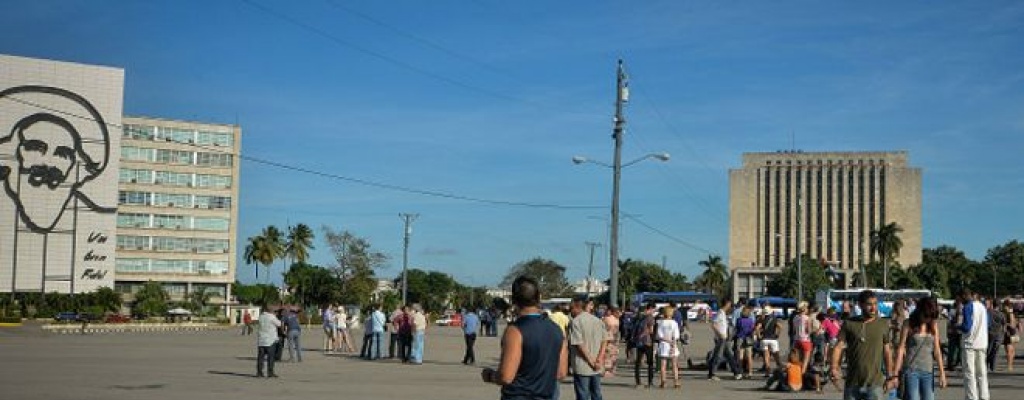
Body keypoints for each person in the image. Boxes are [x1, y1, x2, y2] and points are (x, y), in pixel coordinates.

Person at [481, 275, 568, 400]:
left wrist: (490, 375)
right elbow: (561, 373)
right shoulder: (556, 330)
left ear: (514, 300)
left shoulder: (515, 331)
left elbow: (506, 376)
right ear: (539, 297)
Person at [829, 290, 894, 400]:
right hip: (853, 382)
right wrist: (834, 368)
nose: (873, 308)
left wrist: (890, 376)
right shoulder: (849, 323)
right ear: (860, 305)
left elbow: (887, 351)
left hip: (875, 383)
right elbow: (838, 347)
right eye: (869, 304)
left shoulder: (883, 324)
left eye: (875, 304)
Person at [893, 297, 947, 400]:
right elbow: (900, 349)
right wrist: (895, 374)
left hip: (928, 371)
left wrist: (942, 374)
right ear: (920, 311)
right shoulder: (908, 324)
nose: (928, 319)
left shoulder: (933, 325)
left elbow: (937, 351)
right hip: (911, 371)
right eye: (926, 316)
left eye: (931, 317)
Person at [568, 296, 607, 400]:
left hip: (583, 366)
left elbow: (579, 345)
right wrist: (599, 359)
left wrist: (591, 362)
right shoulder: (598, 321)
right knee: (597, 394)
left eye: (571, 308)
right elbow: (604, 341)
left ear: (577, 307)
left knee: (583, 395)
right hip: (597, 366)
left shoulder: (576, 322)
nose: (570, 311)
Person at [958, 289, 989, 400]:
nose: (961, 301)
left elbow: (966, 327)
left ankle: (972, 397)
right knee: (982, 372)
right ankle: (984, 396)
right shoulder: (983, 307)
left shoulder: (967, 307)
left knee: (969, 373)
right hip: (982, 342)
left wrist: (957, 326)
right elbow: (987, 324)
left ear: (964, 296)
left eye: (961, 298)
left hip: (969, 344)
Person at [708, 300, 741, 381]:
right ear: (727, 304)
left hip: (725, 338)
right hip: (721, 338)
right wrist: (720, 334)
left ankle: (736, 372)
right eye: (730, 304)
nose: (730, 306)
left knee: (730, 355)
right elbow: (713, 324)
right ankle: (712, 374)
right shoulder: (720, 313)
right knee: (718, 356)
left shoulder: (723, 313)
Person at [655, 306, 681, 389]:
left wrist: (667, 340)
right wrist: (672, 342)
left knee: (663, 365)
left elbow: (659, 336)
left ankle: (663, 382)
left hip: (663, 345)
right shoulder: (674, 323)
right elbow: (676, 335)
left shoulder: (661, 323)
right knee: (674, 365)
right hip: (673, 344)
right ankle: (676, 382)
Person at [633, 303, 657, 388]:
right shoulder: (650, 318)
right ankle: (650, 382)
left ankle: (638, 382)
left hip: (639, 342)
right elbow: (651, 330)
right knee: (650, 363)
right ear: (649, 309)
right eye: (653, 309)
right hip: (647, 342)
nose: (654, 311)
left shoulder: (639, 318)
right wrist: (643, 335)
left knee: (638, 362)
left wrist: (638, 336)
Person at [256, 305, 281, 378]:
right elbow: (279, 324)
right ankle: (270, 372)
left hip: (261, 340)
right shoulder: (271, 317)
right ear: (271, 311)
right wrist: (275, 316)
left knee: (260, 358)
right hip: (270, 340)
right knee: (270, 358)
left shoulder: (261, 316)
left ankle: (259, 372)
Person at [757, 309, 782, 376]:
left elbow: (757, 328)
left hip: (764, 339)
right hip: (773, 339)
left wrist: (759, 336)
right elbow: (780, 326)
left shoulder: (762, 319)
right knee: (776, 356)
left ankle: (767, 372)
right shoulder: (774, 319)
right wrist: (777, 334)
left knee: (766, 356)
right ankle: (780, 369)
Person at [734, 305, 756, 378]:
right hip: (748, 339)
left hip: (740, 338)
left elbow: (736, 328)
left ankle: (740, 372)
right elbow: (752, 329)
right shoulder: (750, 321)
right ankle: (750, 372)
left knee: (740, 357)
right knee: (749, 357)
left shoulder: (739, 320)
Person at [984, 299, 1005, 371]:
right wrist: (1003, 333)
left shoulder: (989, 312)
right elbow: (1004, 325)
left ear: (993, 304)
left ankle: (985, 365)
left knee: (988, 350)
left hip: (989, 333)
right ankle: (993, 367)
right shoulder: (1001, 314)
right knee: (995, 351)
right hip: (998, 335)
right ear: (999, 305)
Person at [793, 301, 813, 373]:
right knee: (805, 360)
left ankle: (798, 373)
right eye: (807, 308)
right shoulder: (807, 318)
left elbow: (794, 330)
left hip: (797, 340)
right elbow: (809, 331)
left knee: (799, 359)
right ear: (804, 309)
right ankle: (803, 375)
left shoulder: (795, 317)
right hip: (805, 340)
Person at [601, 306, 620, 377]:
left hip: (608, 338)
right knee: (613, 355)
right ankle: (612, 370)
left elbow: (603, 329)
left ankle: (607, 371)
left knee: (608, 355)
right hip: (614, 339)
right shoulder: (616, 319)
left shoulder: (605, 319)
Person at [946, 298, 963, 372]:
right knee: (953, 349)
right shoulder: (953, 310)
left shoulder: (962, 310)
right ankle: (951, 364)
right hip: (954, 332)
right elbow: (949, 322)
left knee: (959, 349)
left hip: (958, 332)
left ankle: (955, 364)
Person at [1001, 299, 1018, 372]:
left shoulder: (1008, 313)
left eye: (1004, 305)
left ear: (1006, 305)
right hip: (1013, 332)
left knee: (1009, 350)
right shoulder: (1011, 312)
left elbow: (1011, 324)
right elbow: (1015, 323)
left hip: (1009, 332)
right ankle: (1010, 365)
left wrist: (1005, 325)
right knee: (1011, 350)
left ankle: (1009, 365)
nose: (1003, 307)